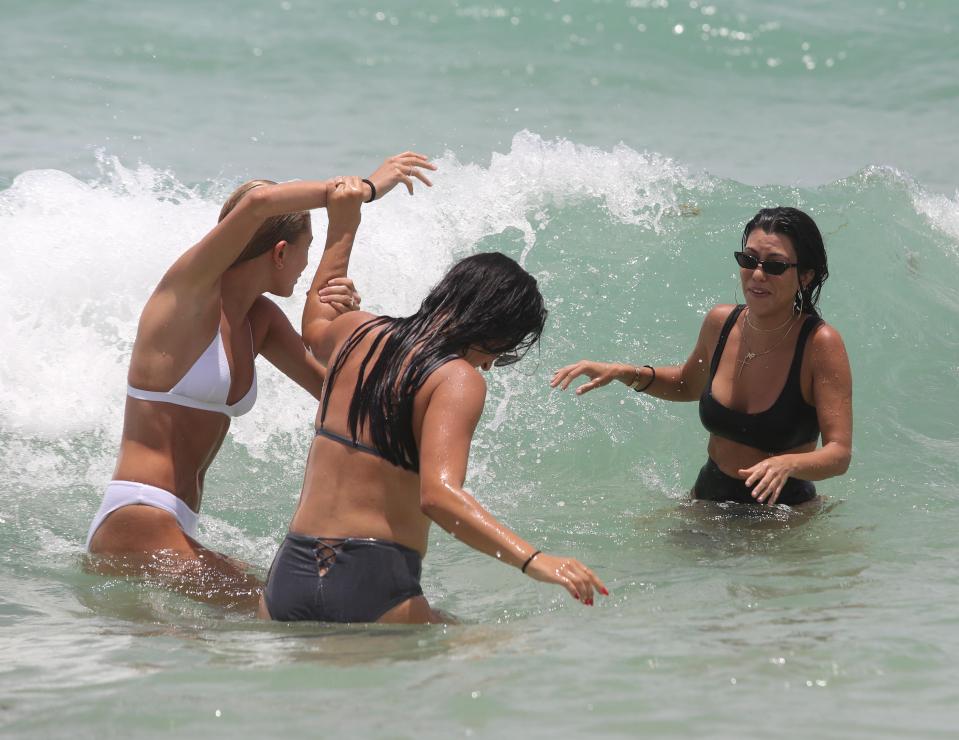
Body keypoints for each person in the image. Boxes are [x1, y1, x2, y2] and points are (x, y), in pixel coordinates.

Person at [86, 151, 435, 608]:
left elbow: (335, 393)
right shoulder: (187, 295)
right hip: (138, 517)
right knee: (282, 611)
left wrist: (344, 317)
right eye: (307, 251)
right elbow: (259, 203)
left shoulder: (260, 320)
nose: (306, 265)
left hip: (175, 525)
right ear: (280, 252)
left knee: (275, 612)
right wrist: (361, 193)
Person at [258, 183, 608, 623]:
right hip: (371, 581)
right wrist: (535, 560)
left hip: (288, 577)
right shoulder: (455, 379)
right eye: (502, 349)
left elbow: (314, 324)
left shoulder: (359, 330)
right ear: (492, 326)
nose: (491, 364)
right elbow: (440, 497)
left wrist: (344, 226)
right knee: (505, 662)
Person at [551, 207, 852, 508]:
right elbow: (686, 384)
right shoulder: (720, 322)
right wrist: (624, 372)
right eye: (748, 260)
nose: (757, 275)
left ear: (805, 276)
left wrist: (788, 464)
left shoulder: (819, 344)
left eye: (775, 266)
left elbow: (839, 454)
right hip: (709, 500)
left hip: (782, 517)